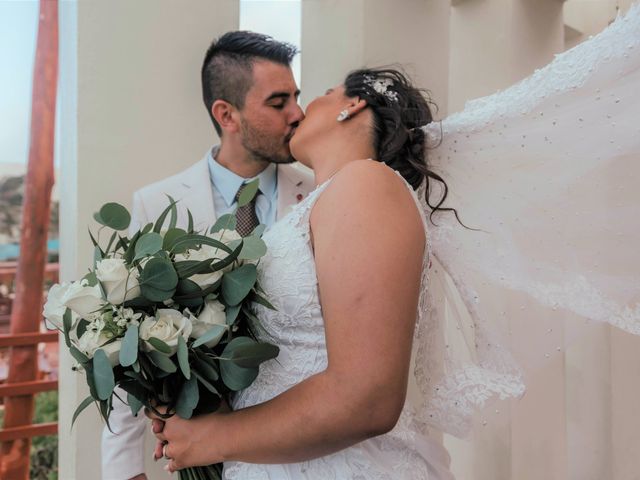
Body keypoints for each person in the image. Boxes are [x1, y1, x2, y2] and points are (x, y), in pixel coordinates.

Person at [150, 5, 640, 478]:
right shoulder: (327, 203)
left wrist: (215, 438)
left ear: (351, 106)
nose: (299, 112)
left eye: (317, 93)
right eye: (282, 102)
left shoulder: (366, 187)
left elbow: (368, 395)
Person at [101, 31, 314, 480]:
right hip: (204, 453)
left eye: (296, 96)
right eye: (278, 103)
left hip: (309, 440)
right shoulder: (155, 204)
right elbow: (126, 344)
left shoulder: (320, 193)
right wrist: (122, 471)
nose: (298, 114)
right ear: (226, 114)